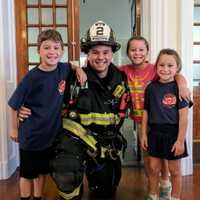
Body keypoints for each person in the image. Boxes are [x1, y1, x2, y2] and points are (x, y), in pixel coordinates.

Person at [49, 20, 129, 200]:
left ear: (112, 52)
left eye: (105, 52)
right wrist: (25, 107)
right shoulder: (73, 77)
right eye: (95, 52)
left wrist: (179, 78)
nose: (101, 57)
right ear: (87, 53)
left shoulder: (122, 78)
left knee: (106, 189)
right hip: (75, 138)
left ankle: (96, 177)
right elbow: (44, 88)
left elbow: (159, 74)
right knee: (66, 170)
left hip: (105, 142)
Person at [8, 29, 86, 200]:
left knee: (43, 171)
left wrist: (79, 69)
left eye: (56, 48)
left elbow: (72, 65)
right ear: (39, 51)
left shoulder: (63, 69)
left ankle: (38, 197)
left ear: (62, 51)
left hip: (50, 135)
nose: (52, 52)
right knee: (28, 173)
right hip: (32, 136)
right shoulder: (32, 78)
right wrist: (13, 129)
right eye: (47, 48)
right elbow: (14, 105)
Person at [119, 36, 190, 200]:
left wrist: (182, 84)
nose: (137, 53)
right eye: (133, 49)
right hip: (143, 119)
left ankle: (165, 186)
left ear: (147, 51)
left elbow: (175, 74)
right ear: (128, 52)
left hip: (165, 122)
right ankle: (153, 191)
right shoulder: (123, 70)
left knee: (167, 160)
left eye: (141, 49)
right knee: (151, 162)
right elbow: (105, 67)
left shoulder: (154, 69)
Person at [140, 48, 191, 200]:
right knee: (153, 169)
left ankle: (174, 197)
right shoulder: (151, 88)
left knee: (175, 171)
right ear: (156, 67)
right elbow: (146, 113)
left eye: (170, 66)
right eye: (161, 65)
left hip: (173, 134)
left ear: (177, 68)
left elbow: (184, 117)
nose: (165, 69)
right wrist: (143, 134)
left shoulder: (180, 89)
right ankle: (153, 195)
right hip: (154, 133)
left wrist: (180, 140)